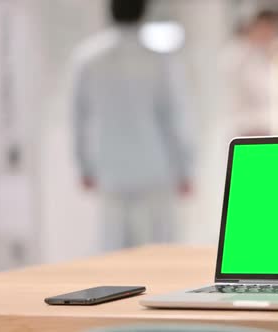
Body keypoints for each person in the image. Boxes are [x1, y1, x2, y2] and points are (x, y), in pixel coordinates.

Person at [72, 0, 191, 251]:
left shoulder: (87, 59)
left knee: (113, 249)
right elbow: (175, 118)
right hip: (155, 165)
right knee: (159, 249)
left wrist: (83, 166)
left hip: (110, 167)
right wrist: (185, 169)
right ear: (143, 13)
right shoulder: (159, 60)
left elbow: (78, 118)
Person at [221, 10, 278, 137]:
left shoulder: (276, 54)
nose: (272, 35)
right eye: (269, 29)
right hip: (247, 129)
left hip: (275, 129)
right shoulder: (238, 52)